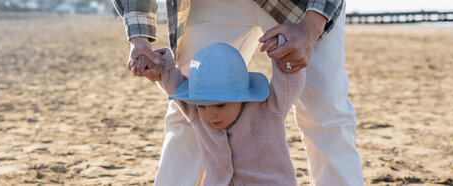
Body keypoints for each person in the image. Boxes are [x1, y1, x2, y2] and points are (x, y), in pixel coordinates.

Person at [114, 0, 364, 185]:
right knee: (190, 111)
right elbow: (176, 86)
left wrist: (312, 26)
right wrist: (138, 37)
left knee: (325, 115)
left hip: (298, 4)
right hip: (210, 5)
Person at [132, 41, 304, 185]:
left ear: (241, 97)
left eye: (220, 105)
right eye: (202, 106)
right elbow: (171, 79)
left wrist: (283, 52)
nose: (209, 115)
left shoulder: (268, 109)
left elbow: (290, 78)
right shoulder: (197, 114)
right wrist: (158, 65)